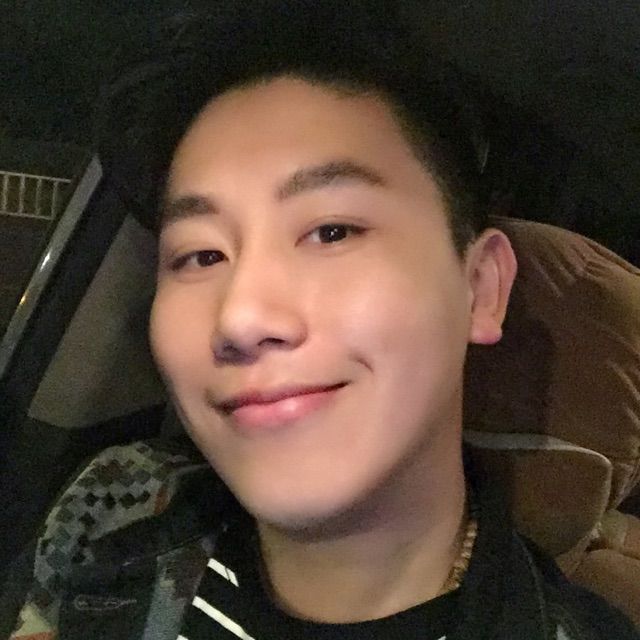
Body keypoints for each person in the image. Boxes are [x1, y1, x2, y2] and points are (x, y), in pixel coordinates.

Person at [5, 2, 639, 639]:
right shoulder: (112, 506)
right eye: (201, 255)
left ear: (479, 289)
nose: (241, 317)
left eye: (332, 231)